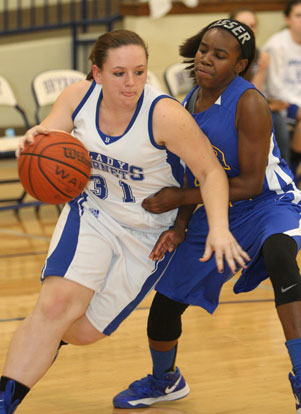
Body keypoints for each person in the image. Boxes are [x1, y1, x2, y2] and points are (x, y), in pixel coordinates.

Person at [0, 29, 249, 414]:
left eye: (139, 72)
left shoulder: (164, 114)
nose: (131, 83)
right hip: (93, 213)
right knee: (54, 308)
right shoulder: (77, 97)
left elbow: (211, 172)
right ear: (96, 73)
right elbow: (50, 130)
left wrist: (218, 227)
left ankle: (44, 346)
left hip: (146, 232)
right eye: (119, 73)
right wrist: (36, 137)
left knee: (79, 333)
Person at [112, 19, 301, 413]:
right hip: (217, 207)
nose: (206, 59)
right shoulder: (187, 103)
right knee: (166, 301)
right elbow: (192, 171)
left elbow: (249, 182)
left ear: (239, 64)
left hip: (269, 203)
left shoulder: (249, 102)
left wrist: (181, 197)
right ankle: (165, 380)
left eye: (219, 55)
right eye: (203, 49)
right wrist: (180, 226)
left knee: (282, 258)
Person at [230, 7, 292, 166]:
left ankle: (284, 169)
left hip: (251, 104)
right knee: (273, 117)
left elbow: (255, 94)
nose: (249, 30)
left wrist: (262, 69)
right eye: (243, 25)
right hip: (228, 108)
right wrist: (271, 106)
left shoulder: (258, 55)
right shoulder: (225, 53)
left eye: (253, 25)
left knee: (276, 118)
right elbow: (239, 97)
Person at [263, 0, 301, 178]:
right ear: (287, 19)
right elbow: (274, 88)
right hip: (280, 103)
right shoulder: (276, 45)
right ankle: (292, 171)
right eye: (298, 16)